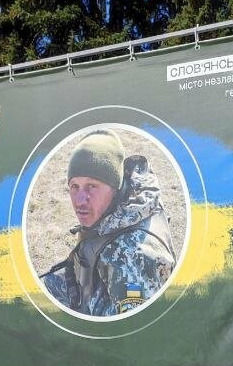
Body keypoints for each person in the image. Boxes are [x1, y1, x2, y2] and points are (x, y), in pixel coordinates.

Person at [41, 129, 177, 317]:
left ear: (115, 188)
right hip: (91, 286)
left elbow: (128, 336)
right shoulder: (123, 208)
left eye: (92, 186)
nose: (80, 200)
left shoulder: (130, 258)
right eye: (74, 186)